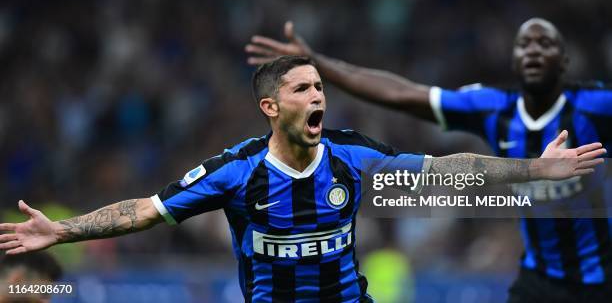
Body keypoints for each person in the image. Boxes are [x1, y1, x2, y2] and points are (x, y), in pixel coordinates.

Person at [0, 56, 605, 302]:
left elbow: (453, 172)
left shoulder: (352, 159)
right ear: (270, 107)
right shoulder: (236, 172)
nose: (319, 95)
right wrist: (63, 232)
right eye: (303, 89)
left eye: (320, 86)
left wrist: (534, 168)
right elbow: (148, 210)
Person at [245, 19, 612, 301]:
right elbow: (402, 94)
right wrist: (317, 64)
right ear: (514, 59)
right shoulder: (493, 107)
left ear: (564, 60)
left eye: (544, 43)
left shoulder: (597, 106)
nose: (532, 50)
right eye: (523, 44)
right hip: (539, 280)